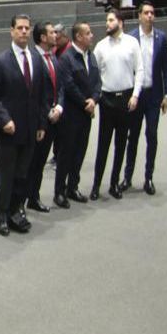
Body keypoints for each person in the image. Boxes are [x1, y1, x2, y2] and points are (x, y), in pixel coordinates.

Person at [0, 15, 51, 236]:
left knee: (23, 174)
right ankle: (1, 216)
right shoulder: (1, 60)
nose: (23, 31)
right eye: (19, 28)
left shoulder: (36, 57)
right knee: (6, 177)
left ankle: (16, 211)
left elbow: (43, 95)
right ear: (11, 31)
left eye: (26, 28)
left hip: (32, 128)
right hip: (9, 130)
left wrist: (42, 123)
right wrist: (4, 120)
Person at [92, 8, 142, 200]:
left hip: (126, 99)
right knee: (103, 145)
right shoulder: (100, 46)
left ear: (120, 23)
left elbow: (140, 70)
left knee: (121, 144)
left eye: (111, 20)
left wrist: (135, 95)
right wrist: (97, 97)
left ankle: (114, 183)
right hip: (107, 100)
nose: (107, 24)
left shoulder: (132, 43)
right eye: (107, 20)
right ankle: (96, 185)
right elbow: (94, 73)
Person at [124, 1, 167, 195]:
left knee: (152, 136)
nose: (150, 16)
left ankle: (148, 177)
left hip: (154, 96)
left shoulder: (161, 38)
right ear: (139, 16)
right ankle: (127, 177)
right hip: (136, 95)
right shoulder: (131, 38)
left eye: (152, 12)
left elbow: (166, 68)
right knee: (132, 137)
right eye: (146, 13)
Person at [54, 22, 99, 207]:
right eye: (88, 33)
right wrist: (85, 102)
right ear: (79, 37)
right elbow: (68, 85)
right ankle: (59, 191)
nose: (92, 36)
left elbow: (97, 82)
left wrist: (94, 100)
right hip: (71, 115)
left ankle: (73, 187)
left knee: (80, 152)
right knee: (66, 154)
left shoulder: (91, 56)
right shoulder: (66, 58)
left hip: (86, 113)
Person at [24, 21, 63, 212]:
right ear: (42, 37)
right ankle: (26, 198)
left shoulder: (53, 57)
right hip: (40, 120)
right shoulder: (32, 59)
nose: (56, 35)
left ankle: (33, 197)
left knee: (40, 162)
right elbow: (33, 93)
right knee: (33, 163)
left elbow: (60, 86)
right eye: (52, 33)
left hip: (55, 118)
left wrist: (59, 108)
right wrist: (47, 111)